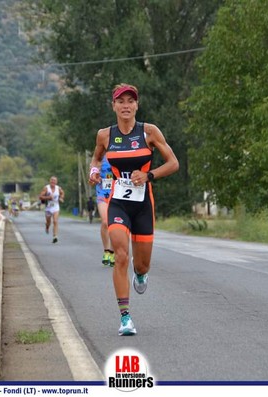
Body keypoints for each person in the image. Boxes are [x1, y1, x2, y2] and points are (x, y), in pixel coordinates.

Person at [88, 83, 179, 336]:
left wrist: (149, 175)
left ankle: (140, 274)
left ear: (137, 105)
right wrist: (94, 171)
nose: (126, 105)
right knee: (120, 254)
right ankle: (125, 317)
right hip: (118, 201)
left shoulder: (149, 132)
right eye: (121, 101)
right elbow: (96, 159)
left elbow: (173, 163)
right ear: (113, 106)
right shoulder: (104, 135)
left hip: (143, 205)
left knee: (141, 264)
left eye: (130, 101)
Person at [96, 157, 114, 267]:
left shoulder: (120, 153)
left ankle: (112, 251)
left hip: (117, 193)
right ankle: (106, 250)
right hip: (102, 193)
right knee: (105, 222)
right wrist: (94, 177)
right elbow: (92, 173)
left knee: (114, 224)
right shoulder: (99, 157)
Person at [39, 176, 65, 243]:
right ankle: (47, 227)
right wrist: (48, 197)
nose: (53, 182)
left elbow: (62, 193)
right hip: (48, 207)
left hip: (56, 206)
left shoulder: (58, 188)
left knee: (55, 221)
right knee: (48, 222)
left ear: (56, 182)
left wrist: (61, 198)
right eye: (52, 180)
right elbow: (40, 197)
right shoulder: (46, 188)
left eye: (54, 181)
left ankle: (55, 236)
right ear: (50, 181)